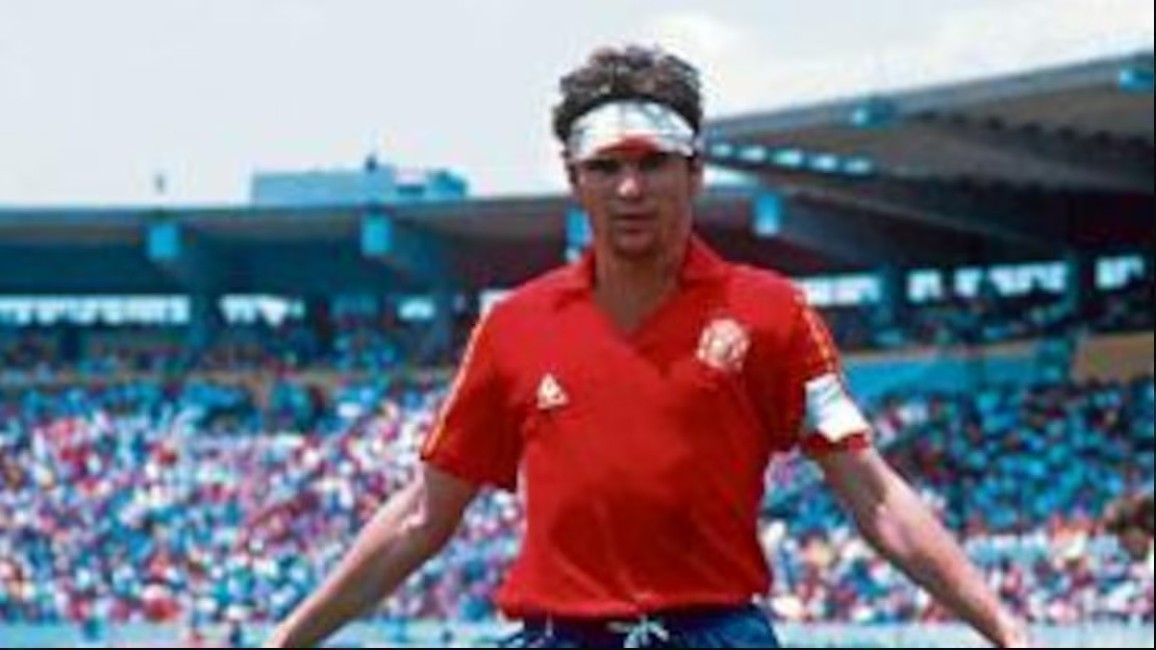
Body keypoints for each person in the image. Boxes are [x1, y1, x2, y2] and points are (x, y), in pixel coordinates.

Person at [264, 44, 1032, 648]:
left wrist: (1006, 630)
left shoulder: (774, 314)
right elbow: (420, 517)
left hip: (717, 633)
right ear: (575, 179)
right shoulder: (514, 326)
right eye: (606, 167)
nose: (630, 189)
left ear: (695, 171)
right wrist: (286, 641)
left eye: (652, 163)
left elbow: (878, 497)